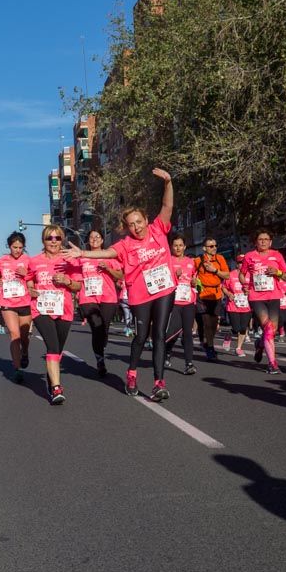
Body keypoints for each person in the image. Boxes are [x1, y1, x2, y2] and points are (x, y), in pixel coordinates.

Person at [66, 168, 175, 401]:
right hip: (140, 295)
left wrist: (168, 182)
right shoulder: (125, 244)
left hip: (164, 289)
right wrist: (83, 253)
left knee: (159, 334)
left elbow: (167, 207)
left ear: (146, 220)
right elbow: (106, 252)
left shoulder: (158, 229)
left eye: (139, 222)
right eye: (131, 225)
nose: (136, 227)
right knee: (141, 336)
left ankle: (158, 383)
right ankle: (132, 373)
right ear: (126, 227)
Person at [24, 225, 83, 403]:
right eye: (50, 238)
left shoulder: (70, 260)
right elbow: (28, 281)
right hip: (41, 309)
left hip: (63, 309)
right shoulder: (34, 261)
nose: (54, 241)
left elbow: (78, 286)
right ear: (43, 240)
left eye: (57, 238)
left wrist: (67, 280)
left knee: (57, 349)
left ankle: (52, 380)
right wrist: (31, 290)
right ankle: (57, 388)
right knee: (52, 346)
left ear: (62, 240)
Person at [240, 230, 286, 375]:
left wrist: (278, 272)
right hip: (256, 297)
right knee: (268, 327)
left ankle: (260, 345)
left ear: (270, 242)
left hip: (274, 296)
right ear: (255, 242)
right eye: (260, 239)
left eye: (266, 239)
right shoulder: (249, 256)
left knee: (272, 330)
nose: (263, 241)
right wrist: (245, 286)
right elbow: (241, 274)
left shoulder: (277, 255)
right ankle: (272, 364)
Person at [77, 228, 124, 377]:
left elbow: (120, 276)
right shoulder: (81, 258)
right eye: (91, 237)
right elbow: (75, 278)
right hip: (88, 298)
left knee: (104, 329)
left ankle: (101, 344)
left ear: (103, 240)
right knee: (97, 327)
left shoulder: (110, 257)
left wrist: (108, 269)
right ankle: (100, 360)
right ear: (88, 241)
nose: (94, 239)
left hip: (108, 297)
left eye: (97, 237)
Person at [0, 232, 33, 382]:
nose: (17, 250)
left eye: (20, 247)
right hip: (8, 302)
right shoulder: (1, 261)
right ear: (9, 246)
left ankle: (25, 353)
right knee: (14, 335)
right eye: (14, 247)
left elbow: (34, 278)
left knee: (24, 336)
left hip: (24, 302)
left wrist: (26, 274)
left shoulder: (28, 260)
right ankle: (17, 369)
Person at [163, 235, 198, 375]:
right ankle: (167, 352)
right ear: (172, 247)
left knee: (188, 333)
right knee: (173, 332)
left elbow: (195, 279)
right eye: (175, 245)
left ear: (184, 247)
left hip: (188, 301)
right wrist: (174, 276)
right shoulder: (168, 261)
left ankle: (189, 364)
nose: (178, 248)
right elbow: (164, 280)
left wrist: (196, 283)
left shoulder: (191, 262)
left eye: (180, 245)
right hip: (173, 302)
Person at [196, 238, 230, 360]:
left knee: (214, 324)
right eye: (210, 246)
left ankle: (208, 342)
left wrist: (215, 270)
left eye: (215, 245)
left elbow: (227, 275)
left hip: (216, 295)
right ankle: (210, 348)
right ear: (204, 248)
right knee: (206, 323)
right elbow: (190, 273)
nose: (214, 248)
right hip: (202, 295)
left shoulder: (220, 259)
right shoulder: (198, 260)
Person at [222, 274, 252, 357]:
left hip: (247, 306)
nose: (241, 265)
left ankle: (238, 348)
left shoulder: (251, 274)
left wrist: (250, 292)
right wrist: (228, 294)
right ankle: (228, 335)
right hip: (233, 306)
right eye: (239, 263)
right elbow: (223, 287)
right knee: (236, 328)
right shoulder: (231, 275)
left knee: (243, 328)